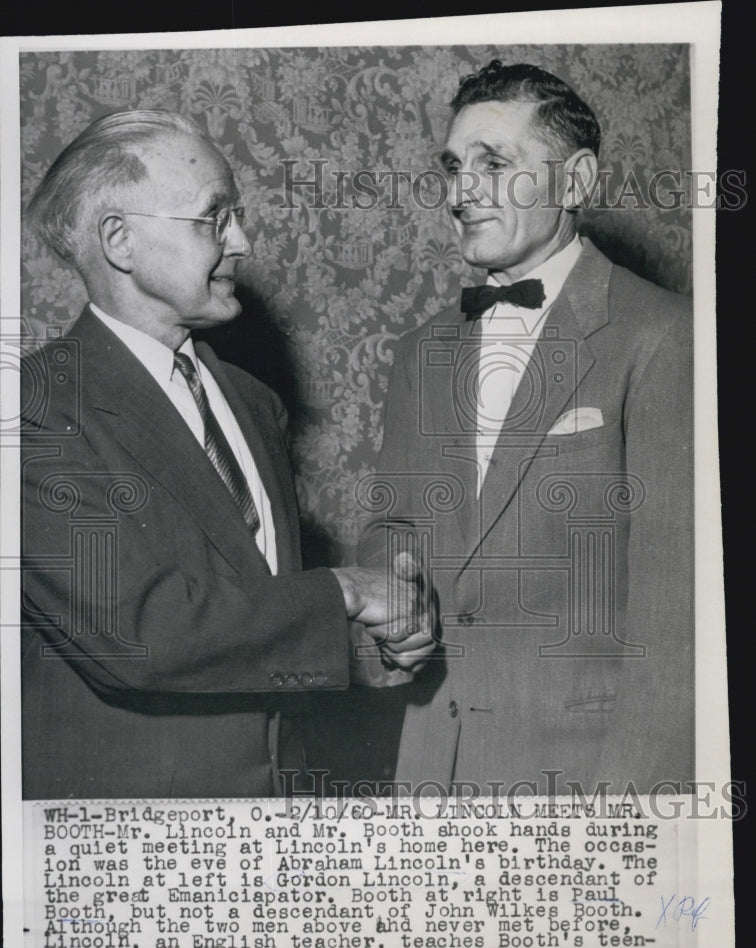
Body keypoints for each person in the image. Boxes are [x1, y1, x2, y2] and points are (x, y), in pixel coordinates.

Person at [20, 110, 434, 800]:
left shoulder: (250, 402)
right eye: (214, 218)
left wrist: (368, 649)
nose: (241, 242)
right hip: (131, 837)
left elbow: (257, 612)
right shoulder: (36, 408)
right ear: (119, 240)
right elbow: (143, 633)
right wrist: (347, 592)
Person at [359, 62, 693, 796]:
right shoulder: (421, 351)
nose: (461, 190)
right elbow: (395, 528)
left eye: (494, 163)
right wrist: (387, 617)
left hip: (588, 781)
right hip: (432, 773)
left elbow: (678, 625)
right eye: (453, 167)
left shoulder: (666, 338)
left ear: (574, 183)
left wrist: (620, 821)